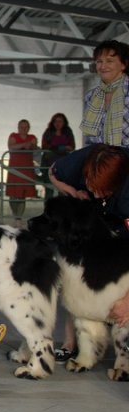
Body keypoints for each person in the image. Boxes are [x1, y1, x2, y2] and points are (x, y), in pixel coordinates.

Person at [50, 143, 129, 359]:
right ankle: (70, 343)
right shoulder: (82, 159)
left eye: (101, 190)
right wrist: (72, 190)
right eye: (90, 185)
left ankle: (123, 347)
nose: (94, 192)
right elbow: (53, 173)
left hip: (121, 221)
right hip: (92, 218)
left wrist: (127, 302)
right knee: (74, 277)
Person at [81, 40, 129, 147]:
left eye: (109, 61)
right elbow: (89, 139)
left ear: (123, 65)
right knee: (60, 164)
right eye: (99, 61)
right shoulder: (90, 96)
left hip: (125, 152)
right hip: (97, 151)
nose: (103, 66)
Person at [5, 119, 38, 223]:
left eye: (26, 127)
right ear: (18, 128)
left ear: (29, 128)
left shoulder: (32, 137)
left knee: (22, 195)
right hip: (14, 169)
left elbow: (33, 146)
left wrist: (24, 145)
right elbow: (11, 147)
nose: (24, 129)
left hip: (26, 169)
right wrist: (24, 145)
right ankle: (16, 215)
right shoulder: (13, 136)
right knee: (12, 194)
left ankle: (18, 218)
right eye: (22, 127)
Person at [39, 113, 75, 196]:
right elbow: (44, 146)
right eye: (55, 121)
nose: (57, 123)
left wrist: (54, 147)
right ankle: (49, 207)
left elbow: (72, 146)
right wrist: (62, 148)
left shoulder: (68, 132)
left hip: (63, 165)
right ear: (53, 122)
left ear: (64, 123)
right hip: (49, 165)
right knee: (49, 189)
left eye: (60, 121)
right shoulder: (48, 132)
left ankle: (61, 208)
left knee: (63, 189)